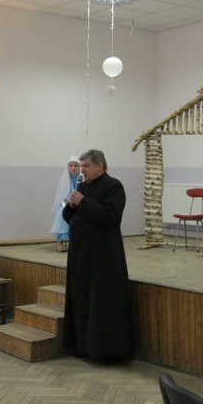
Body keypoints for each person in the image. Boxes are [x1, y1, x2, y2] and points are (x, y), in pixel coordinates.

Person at [62, 149, 132, 363]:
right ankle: (82, 345)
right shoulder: (83, 186)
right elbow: (69, 217)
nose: (82, 170)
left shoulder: (113, 186)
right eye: (81, 166)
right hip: (81, 255)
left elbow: (110, 217)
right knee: (81, 299)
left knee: (101, 303)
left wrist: (83, 202)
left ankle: (103, 351)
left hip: (102, 257)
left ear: (100, 165)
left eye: (86, 166)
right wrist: (70, 206)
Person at [50, 156, 81, 252]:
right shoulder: (64, 179)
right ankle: (60, 242)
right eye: (71, 166)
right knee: (61, 212)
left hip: (80, 202)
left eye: (75, 165)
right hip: (66, 202)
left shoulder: (83, 178)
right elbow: (62, 196)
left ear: (79, 167)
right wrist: (68, 203)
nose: (73, 168)